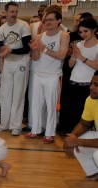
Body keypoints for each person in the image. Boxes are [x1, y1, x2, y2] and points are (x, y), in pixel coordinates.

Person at [25, 10, 69, 143]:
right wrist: (35, 50)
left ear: (58, 21)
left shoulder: (64, 35)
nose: (48, 22)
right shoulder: (39, 37)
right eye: (46, 20)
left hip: (53, 75)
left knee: (51, 105)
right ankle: (35, 130)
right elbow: (36, 59)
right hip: (39, 73)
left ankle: (49, 134)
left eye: (51, 19)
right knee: (36, 104)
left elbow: (62, 55)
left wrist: (44, 49)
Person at [0, 1, 31, 136]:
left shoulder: (24, 26)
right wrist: (2, 53)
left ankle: (16, 125)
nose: (14, 14)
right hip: (8, 65)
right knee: (4, 95)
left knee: (18, 95)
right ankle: (4, 124)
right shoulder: (0, 30)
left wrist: (10, 51)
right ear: (5, 12)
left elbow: (27, 48)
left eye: (16, 11)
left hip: (22, 63)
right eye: (12, 12)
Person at [64, 71, 98, 181]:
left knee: (97, 155)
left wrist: (77, 142)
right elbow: (84, 124)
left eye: (96, 85)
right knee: (79, 137)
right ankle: (94, 173)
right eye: (91, 83)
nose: (91, 87)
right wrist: (71, 140)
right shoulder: (90, 100)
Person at [66, 17, 98, 133]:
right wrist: (74, 56)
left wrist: (81, 57)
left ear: (93, 30)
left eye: (86, 31)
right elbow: (70, 65)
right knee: (72, 112)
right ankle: (72, 137)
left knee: (84, 115)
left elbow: (97, 65)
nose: (83, 34)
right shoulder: (78, 45)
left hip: (88, 85)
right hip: (73, 82)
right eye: (80, 32)